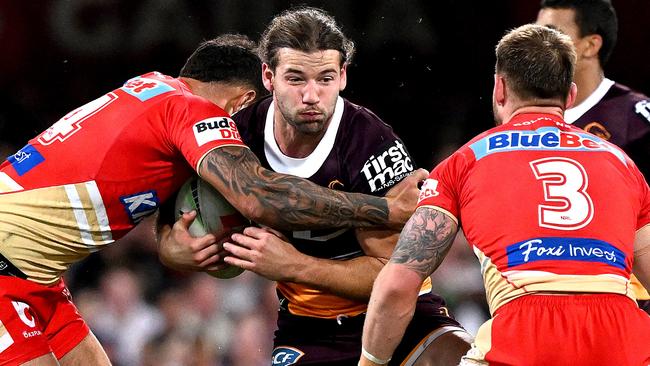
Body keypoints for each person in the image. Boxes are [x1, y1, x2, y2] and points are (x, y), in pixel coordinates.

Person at [0, 34, 422, 365]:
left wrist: (170, 243)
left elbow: (141, 187)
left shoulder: (149, 89)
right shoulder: (192, 111)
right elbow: (261, 198)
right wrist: (386, 208)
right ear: (244, 101)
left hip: (35, 276)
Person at [160, 7, 471, 366]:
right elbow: (169, 213)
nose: (312, 95)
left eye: (324, 79)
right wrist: (173, 248)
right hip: (308, 329)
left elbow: (393, 274)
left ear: (342, 77)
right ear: (268, 76)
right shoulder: (236, 136)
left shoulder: (370, 144)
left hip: (401, 316)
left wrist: (295, 266)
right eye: (296, 79)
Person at [359, 24, 650, 366]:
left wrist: (370, 361)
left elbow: (397, 287)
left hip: (523, 336)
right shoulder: (622, 162)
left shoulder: (465, 162)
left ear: (499, 88)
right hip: (623, 341)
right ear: (570, 96)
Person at [536, 0, 650, 313]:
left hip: (627, 299)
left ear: (590, 45)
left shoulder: (636, 119)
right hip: (546, 297)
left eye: (551, 33)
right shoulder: (523, 120)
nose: (537, 44)